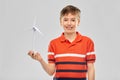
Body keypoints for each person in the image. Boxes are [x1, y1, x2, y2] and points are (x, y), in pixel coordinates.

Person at [28, 5, 96, 80]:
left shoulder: (87, 42)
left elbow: (91, 68)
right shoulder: (53, 44)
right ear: (61, 22)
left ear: (78, 22)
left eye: (73, 20)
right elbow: (51, 72)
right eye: (65, 20)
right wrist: (40, 60)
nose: (69, 23)